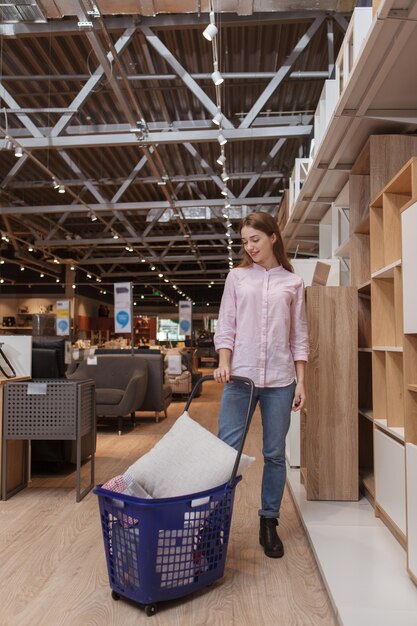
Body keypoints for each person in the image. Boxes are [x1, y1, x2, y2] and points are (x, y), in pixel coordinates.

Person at [213, 210, 308, 558]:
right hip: (240, 379)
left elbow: (299, 336)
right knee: (226, 454)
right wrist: (224, 362)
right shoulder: (237, 278)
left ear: (273, 237)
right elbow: (226, 325)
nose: (250, 247)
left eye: (255, 239)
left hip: (282, 381)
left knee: (274, 454)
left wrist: (301, 382)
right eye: (244, 242)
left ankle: (269, 522)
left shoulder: (292, 283)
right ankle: (214, 523)